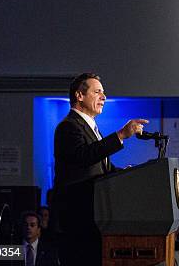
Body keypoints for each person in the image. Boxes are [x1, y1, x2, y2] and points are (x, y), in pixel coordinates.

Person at [52, 72, 148, 266]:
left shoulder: (92, 128)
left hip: (95, 218)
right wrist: (121, 134)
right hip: (78, 219)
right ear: (80, 95)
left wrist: (126, 175)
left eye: (103, 92)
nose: (104, 97)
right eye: (97, 92)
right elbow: (83, 157)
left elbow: (102, 167)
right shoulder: (68, 126)